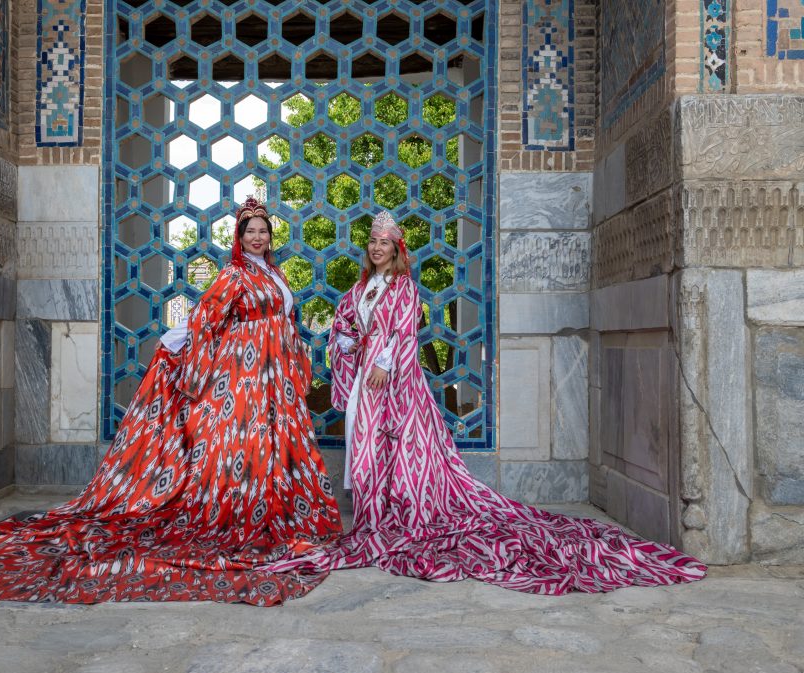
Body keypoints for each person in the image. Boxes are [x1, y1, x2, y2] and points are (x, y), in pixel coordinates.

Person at [0, 197, 342, 606]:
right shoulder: (233, 277)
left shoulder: (275, 276)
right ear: (239, 236)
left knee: (278, 450)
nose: (257, 237)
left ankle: (280, 512)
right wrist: (172, 348)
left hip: (274, 377)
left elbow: (287, 322)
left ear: (271, 236)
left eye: (263, 230)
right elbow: (203, 320)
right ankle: (236, 514)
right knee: (246, 448)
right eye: (250, 231)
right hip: (245, 378)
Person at [266, 211, 707, 594]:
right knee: (366, 444)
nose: (377, 248)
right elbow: (345, 323)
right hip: (368, 381)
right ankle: (371, 515)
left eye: (384, 242)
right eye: (372, 242)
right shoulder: (363, 289)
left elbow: (403, 331)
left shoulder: (402, 286)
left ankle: (400, 509)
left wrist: (382, 361)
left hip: (395, 381)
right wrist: (348, 345)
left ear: (396, 248)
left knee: (397, 446)